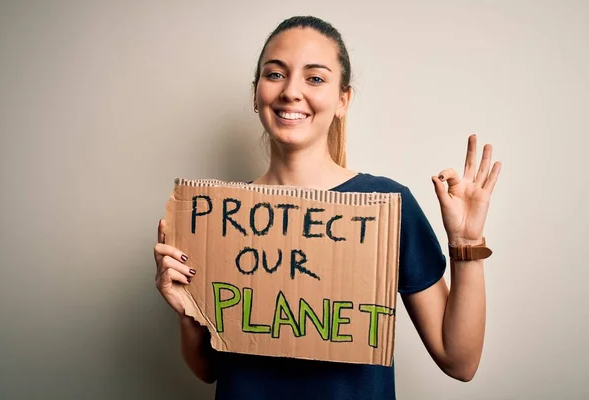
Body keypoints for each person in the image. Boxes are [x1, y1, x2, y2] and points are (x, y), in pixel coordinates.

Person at [153, 15, 502, 400]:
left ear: (342, 100)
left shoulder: (385, 206)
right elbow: (208, 371)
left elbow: (460, 361)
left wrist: (467, 243)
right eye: (275, 75)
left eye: (315, 78)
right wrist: (187, 313)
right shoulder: (215, 216)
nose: (291, 91)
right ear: (256, 94)